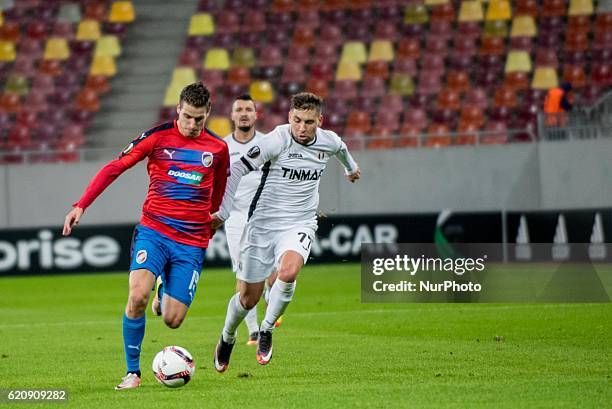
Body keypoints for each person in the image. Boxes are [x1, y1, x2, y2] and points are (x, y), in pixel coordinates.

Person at [62, 82, 229, 389]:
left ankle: (164, 287)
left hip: (191, 241)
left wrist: (213, 218)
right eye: (188, 117)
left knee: (172, 320)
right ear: (178, 109)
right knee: (137, 295)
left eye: (199, 119)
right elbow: (115, 167)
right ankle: (132, 373)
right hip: (154, 231)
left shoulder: (218, 149)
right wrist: (81, 204)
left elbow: (218, 192)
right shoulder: (157, 137)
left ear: (208, 114)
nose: (192, 125)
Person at [211, 92, 361, 372]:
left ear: (320, 121)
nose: (302, 128)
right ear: (289, 117)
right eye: (297, 120)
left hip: (300, 222)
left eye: (309, 122)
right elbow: (237, 169)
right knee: (247, 298)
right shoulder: (276, 140)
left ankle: (266, 329)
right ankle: (227, 336)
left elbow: (341, 150)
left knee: (289, 272)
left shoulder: (328, 140)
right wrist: (223, 211)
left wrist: (351, 170)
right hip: (263, 225)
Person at [223, 94, 267, 346]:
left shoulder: (267, 143)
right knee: (243, 273)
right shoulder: (223, 146)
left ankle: (272, 300)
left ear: (255, 115)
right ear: (232, 115)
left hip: (264, 213)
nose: (243, 113)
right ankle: (254, 330)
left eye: (248, 109)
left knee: (271, 271)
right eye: (238, 109)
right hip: (235, 216)